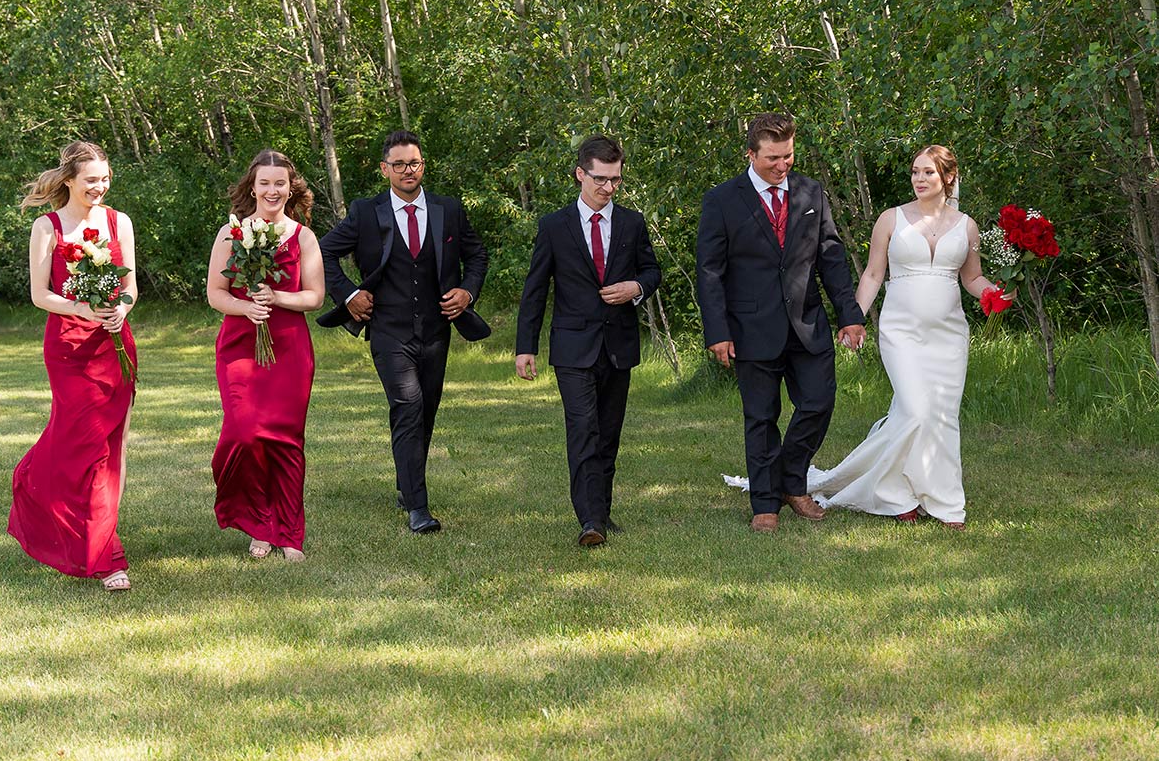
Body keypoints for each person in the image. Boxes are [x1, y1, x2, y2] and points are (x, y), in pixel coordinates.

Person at [798, 145, 1007, 529]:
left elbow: (972, 278)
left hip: (948, 334)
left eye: (928, 172)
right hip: (901, 332)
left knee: (942, 417)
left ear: (948, 177)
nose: (919, 179)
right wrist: (853, 319)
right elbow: (874, 274)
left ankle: (944, 503)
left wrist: (995, 293)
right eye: (915, 172)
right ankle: (894, 495)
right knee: (913, 411)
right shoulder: (890, 220)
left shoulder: (967, 226)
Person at [697, 113, 866, 533]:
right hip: (750, 328)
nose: (782, 165)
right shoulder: (722, 200)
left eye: (787, 156)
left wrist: (849, 315)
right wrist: (717, 332)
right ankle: (765, 503)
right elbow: (711, 272)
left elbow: (831, 256)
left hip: (808, 325)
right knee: (761, 416)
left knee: (818, 402)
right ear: (751, 154)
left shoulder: (811, 192)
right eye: (772, 157)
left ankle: (790, 481)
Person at [317, 130, 489, 533]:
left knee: (426, 410)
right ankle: (418, 507)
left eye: (413, 163)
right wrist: (349, 294)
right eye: (399, 164)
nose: (407, 170)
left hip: (436, 329)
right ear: (385, 169)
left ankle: (405, 484)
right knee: (407, 406)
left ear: (422, 165)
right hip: (388, 331)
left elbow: (476, 254)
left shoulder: (448, 209)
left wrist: (468, 290)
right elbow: (324, 251)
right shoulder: (365, 212)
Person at [515, 135, 662, 547]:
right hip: (572, 347)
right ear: (580, 174)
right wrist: (525, 346)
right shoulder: (554, 226)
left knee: (608, 432)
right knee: (582, 428)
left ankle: (602, 511)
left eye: (615, 180)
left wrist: (635, 286)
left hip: (618, 345)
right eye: (600, 179)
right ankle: (589, 520)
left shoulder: (632, 223)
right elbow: (535, 290)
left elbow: (653, 272)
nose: (608, 187)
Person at [9, 141, 139, 591]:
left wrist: (120, 308)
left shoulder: (118, 221)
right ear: (69, 182)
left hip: (115, 343)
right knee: (80, 443)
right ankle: (32, 481)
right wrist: (81, 309)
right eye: (91, 181)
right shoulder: (46, 227)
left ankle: (105, 551)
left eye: (105, 179)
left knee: (110, 449)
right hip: (69, 346)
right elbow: (40, 294)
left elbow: (130, 286)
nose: (100, 187)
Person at [207, 149, 325, 561]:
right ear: (252, 187)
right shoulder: (231, 234)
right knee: (244, 432)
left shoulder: (303, 236)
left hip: (289, 346)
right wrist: (247, 307)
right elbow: (215, 294)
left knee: (286, 440)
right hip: (240, 344)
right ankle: (259, 521)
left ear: (290, 187)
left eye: (280, 183)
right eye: (265, 183)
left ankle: (288, 532)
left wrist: (277, 296)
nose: (272, 190)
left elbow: (315, 296)